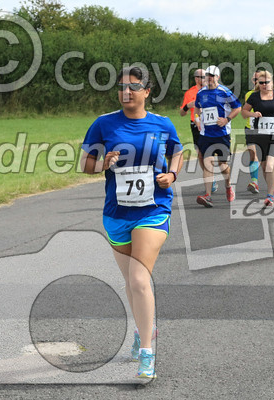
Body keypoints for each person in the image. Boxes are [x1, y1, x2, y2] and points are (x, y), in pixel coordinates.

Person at [80, 66, 184, 379]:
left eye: (134, 86)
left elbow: (177, 151)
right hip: (116, 214)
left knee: (139, 279)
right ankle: (142, 328)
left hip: (153, 210)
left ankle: (147, 353)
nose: (127, 92)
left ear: (147, 91)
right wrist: (103, 164)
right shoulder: (103, 124)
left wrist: (172, 174)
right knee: (130, 281)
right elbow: (85, 165)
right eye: (122, 87)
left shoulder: (162, 124)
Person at [240, 70, 274, 207]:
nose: (265, 85)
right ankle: (272, 187)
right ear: (258, 83)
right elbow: (243, 112)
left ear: (272, 82)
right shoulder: (254, 97)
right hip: (259, 135)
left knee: (270, 165)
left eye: (267, 82)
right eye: (261, 83)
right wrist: (253, 115)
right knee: (265, 167)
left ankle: (270, 196)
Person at [194, 65, 241, 207]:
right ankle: (207, 195)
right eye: (207, 75)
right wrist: (197, 119)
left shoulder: (224, 92)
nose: (209, 78)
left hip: (222, 134)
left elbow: (237, 107)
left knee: (223, 165)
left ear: (218, 77)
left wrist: (226, 119)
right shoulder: (201, 92)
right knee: (207, 162)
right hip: (206, 134)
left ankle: (228, 185)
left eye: (212, 75)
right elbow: (197, 107)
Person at [180, 69, 217, 193]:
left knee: (211, 152)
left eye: (205, 76)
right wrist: (187, 106)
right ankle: (210, 177)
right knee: (201, 154)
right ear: (196, 78)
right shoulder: (190, 92)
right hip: (196, 125)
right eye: (201, 76)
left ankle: (210, 176)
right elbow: (181, 113)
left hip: (211, 124)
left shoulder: (213, 89)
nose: (204, 78)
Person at [243, 70, 264, 193]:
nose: (256, 82)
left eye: (259, 80)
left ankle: (270, 186)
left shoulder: (271, 94)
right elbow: (245, 112)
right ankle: (254, 181)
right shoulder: (249, 94)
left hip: (265, 129)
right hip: (250, 128)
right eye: (254, 80)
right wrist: (253, 114)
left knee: (266, 159)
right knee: (253, 154)